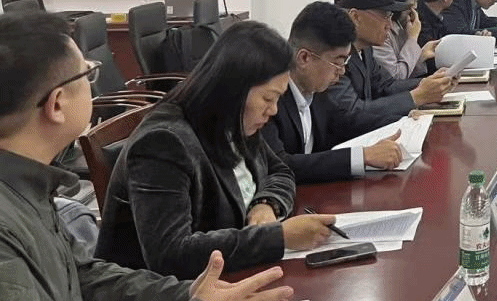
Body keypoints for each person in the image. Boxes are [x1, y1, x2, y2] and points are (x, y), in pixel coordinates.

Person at [0, 11, 296, 301]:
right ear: (57, 104)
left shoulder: (28, 186)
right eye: (87, 75)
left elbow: (82, 278)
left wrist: (185, 296)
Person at [97, 22, 336, 280]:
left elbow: (280, 170)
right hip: (166, 294)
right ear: (235, 89)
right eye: (268, 98)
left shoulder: (234, 122)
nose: (274, 110)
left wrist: (266, 204)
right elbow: (170, 255)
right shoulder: (163, 142)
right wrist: (278, 237)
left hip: (232, 276)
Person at [261, 2, 405, 184]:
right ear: (304, 58)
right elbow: (279, 164)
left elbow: (347, 122)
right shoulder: (268, 99)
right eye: (337, 62)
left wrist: (403, 121)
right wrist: (362, 157)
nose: (342, 71)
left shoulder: (317, 91)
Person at [328, 0, 455, 139]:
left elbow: (386, 85)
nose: (389, 25)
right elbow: (352, 112)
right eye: (385, 16)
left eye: (391, 16)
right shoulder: (334, 54)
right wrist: (417, 96)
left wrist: (430, 83)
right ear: (355, 16)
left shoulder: (365, 48)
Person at [376, 0, 439, 80]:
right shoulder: (379, 30)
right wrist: (412, 39)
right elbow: (395, 78)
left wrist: (421, 56)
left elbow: (405, 72)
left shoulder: (400, 24)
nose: (415, 6)